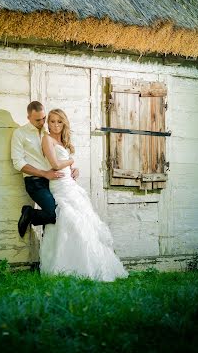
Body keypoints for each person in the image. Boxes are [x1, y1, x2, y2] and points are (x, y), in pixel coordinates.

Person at [39, 108, 128, 282]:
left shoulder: (63, 142)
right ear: (47, 123)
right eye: (52, 121)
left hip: (70, 184)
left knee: (84, 220)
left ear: (64, 123)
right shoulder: (46, 139)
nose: (55, 125)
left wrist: (73, 169)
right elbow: (55, 164)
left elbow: (64, 165)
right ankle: (63, 265)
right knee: (67, 218)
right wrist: (70, 161)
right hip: (59, 186)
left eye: (59, 121)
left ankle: (90, 265)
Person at [10, 101, 79, 238]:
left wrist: (73, 168)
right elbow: (18, 163)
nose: (42, 122)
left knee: (64, 214)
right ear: (28, 117)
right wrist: (44, 173)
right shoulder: (20, 134)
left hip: (55, 182)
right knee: (53, 214)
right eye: (37, 120)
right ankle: (29, 213)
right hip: (35, 182)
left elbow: (60, 154)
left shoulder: (49, 130)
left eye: (43, 118)